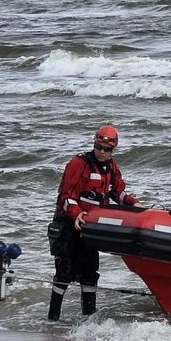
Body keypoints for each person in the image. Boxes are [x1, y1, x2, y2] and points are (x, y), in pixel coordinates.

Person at [48, 124, 139, 321]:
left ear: (112, 150)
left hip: (90, 227)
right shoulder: (78, 164)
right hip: (68, 225)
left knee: (90, 273)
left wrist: (135, 204)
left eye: (106, 150)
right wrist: (76, 213)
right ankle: (52, 319)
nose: (102, 152)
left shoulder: (112, 168)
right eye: (99, 147)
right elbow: (66, 197)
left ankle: (88, 320)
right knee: (64, 272)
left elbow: (118, 193)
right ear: (94, 144)